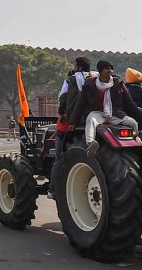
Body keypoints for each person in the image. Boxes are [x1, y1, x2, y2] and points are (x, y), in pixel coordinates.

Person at [69, 60, 142, 156]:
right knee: (91, 119)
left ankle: (136, 147)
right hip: (98, 113)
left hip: (115, 113)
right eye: (107, 68)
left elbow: (130, 104)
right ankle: (91, 144)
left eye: (111, 68)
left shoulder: (118, 84)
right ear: (100, 71)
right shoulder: (89, 84)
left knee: (132, 123)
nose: (109, 71)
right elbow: (80, 104)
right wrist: (73, 122)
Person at [49, 56, 94, 198]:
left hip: (71, 122)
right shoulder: (95, 78)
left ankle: (53, 189)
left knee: (58, 158)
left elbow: (62, 98)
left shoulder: (71, 79)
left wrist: (61, 113)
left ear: (79, 67)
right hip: (92, 120)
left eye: (76, 66)